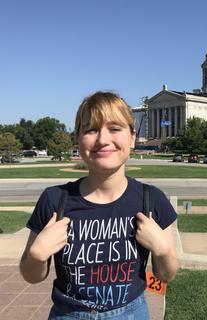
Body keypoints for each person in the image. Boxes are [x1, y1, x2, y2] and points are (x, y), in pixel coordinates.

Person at [20, 91, 180, 319]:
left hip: (131, 314)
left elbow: (166, 275)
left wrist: (161, 249)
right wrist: (36, 256)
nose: (103, 139)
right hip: (69, 314)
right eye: (91, 129)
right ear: (78, 138)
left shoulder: (152, 199)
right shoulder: (54, 199)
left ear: (132, 137)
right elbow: (31, 276)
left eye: (115, 129)